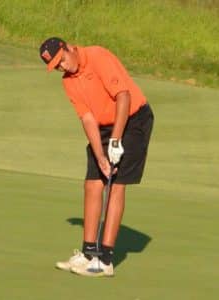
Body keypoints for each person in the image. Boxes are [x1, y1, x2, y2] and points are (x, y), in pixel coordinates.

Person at [39, 37, 154, 277]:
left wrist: (115, 140)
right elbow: (87, 118)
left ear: (69, 47)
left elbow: (123, 96)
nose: (62, 67)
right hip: (103, 125)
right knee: (93, 182)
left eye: (62, 60)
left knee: (115, 185)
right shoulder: (68, 82)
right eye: (56, 66)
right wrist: (101, 154)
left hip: (133, 119)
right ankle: (88, 253)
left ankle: (105, 260)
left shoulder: (98, 56)